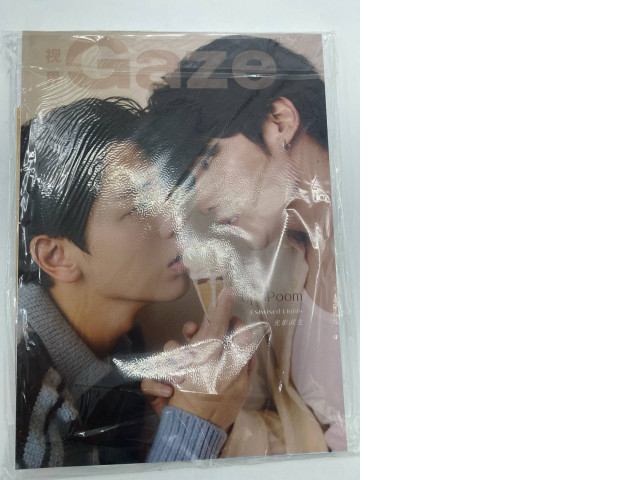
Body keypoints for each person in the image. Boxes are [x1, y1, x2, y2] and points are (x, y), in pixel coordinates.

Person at [16, 97, 253, 468]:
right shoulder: (18, 391)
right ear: (55, 257)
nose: (176, 221)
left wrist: (169, 427)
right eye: (138, 207)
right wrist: (196, 421)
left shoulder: (126, 354)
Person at [144, 36, 347, 455]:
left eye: (207, 160)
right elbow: (323, 436)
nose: (201, 200)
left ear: (279, 122)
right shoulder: (281, 268)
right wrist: (212, 417)